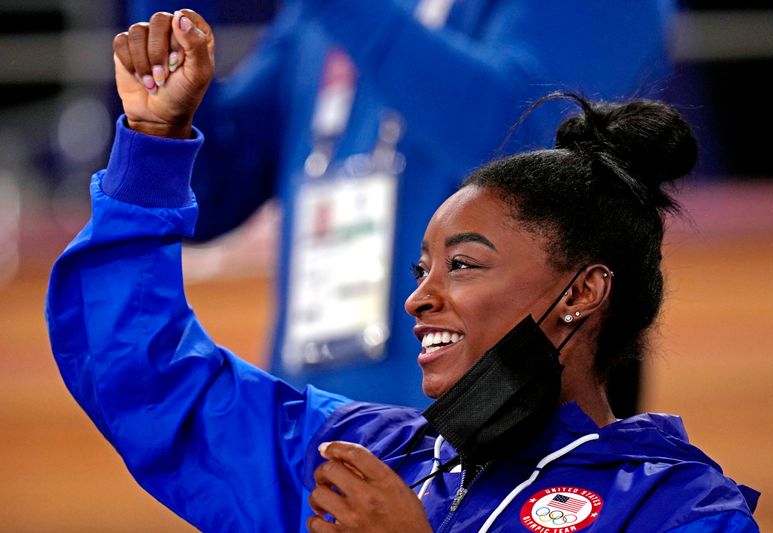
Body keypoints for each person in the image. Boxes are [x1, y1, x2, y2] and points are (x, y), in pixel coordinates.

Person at [46, 11, 759, 531]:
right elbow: (149, 380)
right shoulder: (359, 461)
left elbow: (519, 139)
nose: (418, 296)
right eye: (424, 267)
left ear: (582, 291)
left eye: (463, 265)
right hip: (342, 384)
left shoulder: (678, 507)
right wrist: (150, 149)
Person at [120, 0, 678, 411]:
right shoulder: (321, 18)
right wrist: (165, 104)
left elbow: (532, 144)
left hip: (498, 446)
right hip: (317, 427)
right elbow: (211, 197)